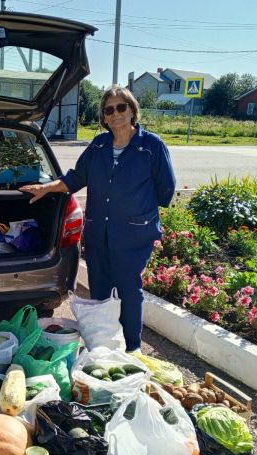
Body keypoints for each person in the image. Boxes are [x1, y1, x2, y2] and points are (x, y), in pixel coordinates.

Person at [20, 85, 176, 354]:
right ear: (103, 117)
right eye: (109, 110)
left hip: (134, 235)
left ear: (132, 111)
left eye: (121, 107)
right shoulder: (99, 145)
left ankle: (131, 348)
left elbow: (166, 190)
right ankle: (104, 346)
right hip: (98, 233)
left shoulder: (151, 146)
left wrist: (138, 209)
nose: (115, 114)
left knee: (128, 289)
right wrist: (47, 188)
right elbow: (75, 178)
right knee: (101, 289)